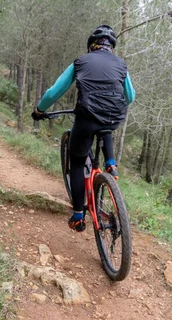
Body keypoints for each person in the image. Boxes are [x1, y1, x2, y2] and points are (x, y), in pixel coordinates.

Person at [31, 25, 135, 232]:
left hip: (86, 118)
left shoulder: (80, 62)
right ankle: (111, 165)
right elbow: (130, 97)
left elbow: (54, 92)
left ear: (91, 46)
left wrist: (40, 110)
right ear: (111, 47)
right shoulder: (122, 65)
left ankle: (78, 216)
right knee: (106, 126)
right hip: (114, 117)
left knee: (77, 163)